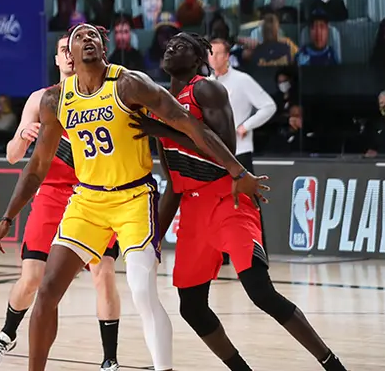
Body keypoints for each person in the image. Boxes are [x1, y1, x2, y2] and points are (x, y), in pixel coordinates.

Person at [0, 23, 266, 371]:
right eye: (79, 37)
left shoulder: (128, 84)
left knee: (141, 291)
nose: (87, 40)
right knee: (47, 290)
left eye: (93, 36)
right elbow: (37, 166)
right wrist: (7, 217)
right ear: (69, 55)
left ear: (104, 49)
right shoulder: (55, 99)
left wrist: (237, 170)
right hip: (88, 200)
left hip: (133, 198)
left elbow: (190, 125)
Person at [130, 33, 347, 371]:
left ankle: (331, 363)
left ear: (199, 58)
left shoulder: (206, 89)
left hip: (226, 198)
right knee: (191, 307)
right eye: (170, 44)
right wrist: (152, 236)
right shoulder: (160, 105)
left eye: (182, 46)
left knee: (261, 292)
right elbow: (172, 182)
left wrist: (165, 130)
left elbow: (224, 147)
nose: (171, 48)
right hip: (193, 209)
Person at [0, 36, 122, 371]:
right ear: (57, 59)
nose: (69, 55)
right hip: (52, 193)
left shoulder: (103, 94)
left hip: (93, 195)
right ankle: (6, 334)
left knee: (103, 274)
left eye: (74, 48)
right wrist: (23, 135)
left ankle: (110, 360)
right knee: (32, 278)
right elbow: (12, 156)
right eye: (63, 50)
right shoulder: (41, 99)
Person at [208, 39, 277, 174]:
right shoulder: (205, 82)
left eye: (218, 53)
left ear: (227, 56)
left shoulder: (242, 80)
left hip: (239, 151)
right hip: (213, 153)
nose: (213, 58)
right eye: (211, 53)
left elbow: (269, 106)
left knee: (244, 188)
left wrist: (246, 126)